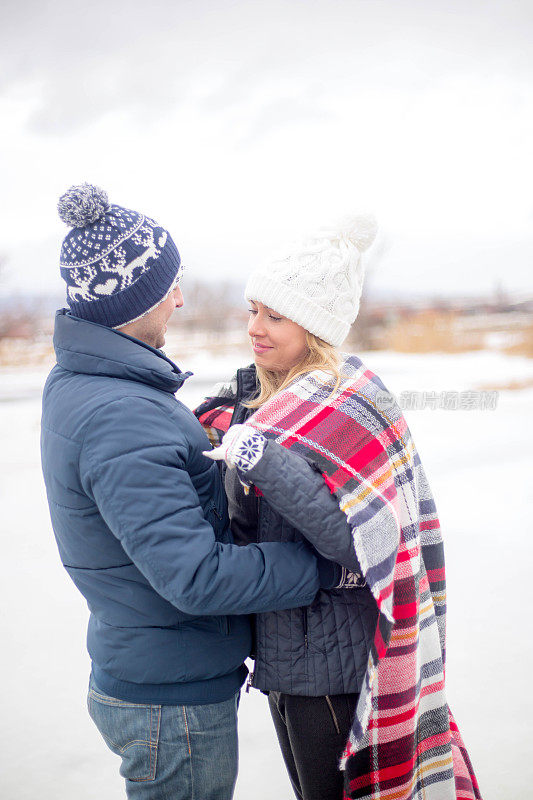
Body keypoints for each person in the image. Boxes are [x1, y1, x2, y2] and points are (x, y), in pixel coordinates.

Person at [40, 183, 354, 800]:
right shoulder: (121, 414)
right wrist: (321, 567)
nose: (181, 299)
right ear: (133, 299)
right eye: (167, 287)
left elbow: (166, 496)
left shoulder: (91, 380)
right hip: (171, 701)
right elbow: (197, 577)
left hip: (154, 669)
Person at [197, 216, 482, 800]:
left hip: (334, 666)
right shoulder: (262, 397)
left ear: (315, 327)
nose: (255, 327)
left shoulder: (348, 402)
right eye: (253, 310)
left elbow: (358, 541)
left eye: (274, 316)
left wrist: (261, 459)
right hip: (282, 655)